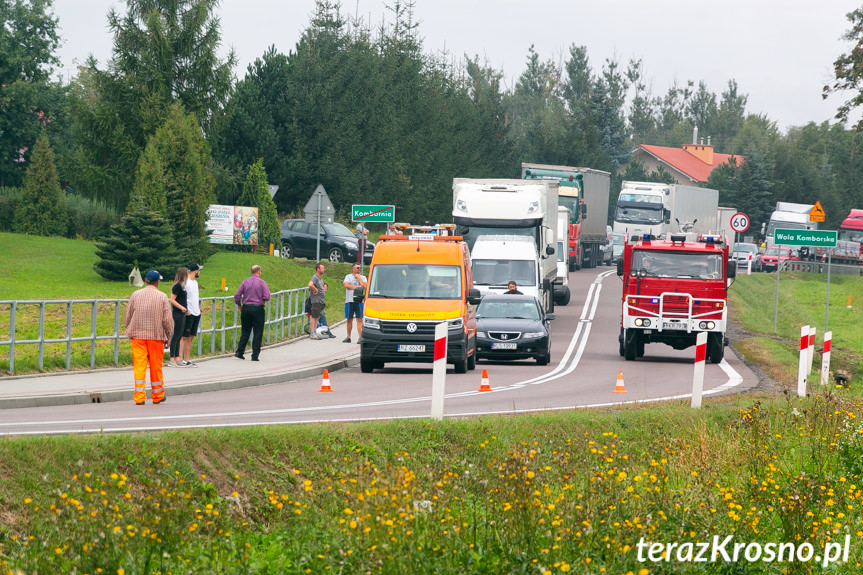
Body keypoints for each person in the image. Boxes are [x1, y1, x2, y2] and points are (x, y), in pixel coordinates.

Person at [124, 270, 173, 405]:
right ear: (157, 282)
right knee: (156, 366)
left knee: (139, 366)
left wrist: (129, 330)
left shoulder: (136, 294)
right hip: (156, 336)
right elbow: (167, 320)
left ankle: (139, 397)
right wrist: (169, 336)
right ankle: (157, 395)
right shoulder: (162, 297)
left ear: (146, 280)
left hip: (138, 336)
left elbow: (128, 315)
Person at [233, 264, 271, 361]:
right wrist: (261, 300)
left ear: (251, 272)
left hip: (246, 309)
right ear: (259, 272)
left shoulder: (245, 282)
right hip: (258, 309)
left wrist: (239, 305)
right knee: (258, 332)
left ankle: (239, 352)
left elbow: (237, 295)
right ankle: (255, 356)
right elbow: (267, 297)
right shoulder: (262, 283)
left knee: (245, 331)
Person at [179, 263, 202, 367]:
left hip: (196, 312)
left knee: (191, 337)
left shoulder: (195, 282)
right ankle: (179, 359)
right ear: (195, 271)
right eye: (199, 270)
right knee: (184, 336)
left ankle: (187, 359)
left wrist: (198, 309)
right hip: (189, 312)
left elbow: (195, 297)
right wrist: (187, 310)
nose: (199, 272)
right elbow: (183, 297)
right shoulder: (186, 282)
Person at [167, 267, 188, 367]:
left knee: (180, 335)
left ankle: (177, 357)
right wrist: (182, 307)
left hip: (183, 313)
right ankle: (172, 359)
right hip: (178, 313)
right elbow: (172, 300)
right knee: (176, 335)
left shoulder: (183, 286)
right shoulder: (177, 286)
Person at [342, 263, 367, 343]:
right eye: (357, 268)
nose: (359, 269)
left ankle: (360, 337)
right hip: (350, 300)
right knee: (349, 319)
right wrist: (358, 287)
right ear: (353, 269)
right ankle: (348, 337)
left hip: (359, 301)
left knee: (359, 319)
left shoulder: (363, 277)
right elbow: (346, 285)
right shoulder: (348, 277)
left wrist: (359, 278)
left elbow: (365, 286)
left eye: (359, 268)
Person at [308, 262, 326, 338]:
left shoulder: (320, 278)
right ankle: (312, 332)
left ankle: (315, 331)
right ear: (318, 269)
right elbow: (310, 284)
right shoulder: (315, 277)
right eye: (322, 268)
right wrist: (315, 290)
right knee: (314, 316)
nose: (324, 269)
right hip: (316, 300)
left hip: (321, 300)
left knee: (317, 316)